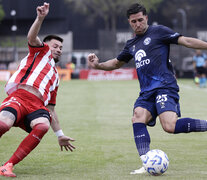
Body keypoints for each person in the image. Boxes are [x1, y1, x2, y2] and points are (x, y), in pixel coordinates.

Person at [88, 3, 207, 175]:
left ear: (146, 18)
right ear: (129, 22)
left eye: (140, 20)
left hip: (165, 86)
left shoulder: (159, 31)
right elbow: (115, 63)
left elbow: (186, 41)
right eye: (133, 21)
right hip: (146, 92)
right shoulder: (131, 44)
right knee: (138, 117)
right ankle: (147, 162)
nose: (137, 24)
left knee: (169, 126)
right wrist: (98, 65)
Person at [0, 2, 75, 177]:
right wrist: (40, 18)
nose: (59, 50)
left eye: (61, 48)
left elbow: (51, 109)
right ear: (46, 46)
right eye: (55, 46)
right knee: (3, 123)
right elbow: (32, 38)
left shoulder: (56, 77)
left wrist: (60, 134)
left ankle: (8, 165)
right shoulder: (39, 52)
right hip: (20, 96)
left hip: (36, 105)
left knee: (43, 125)